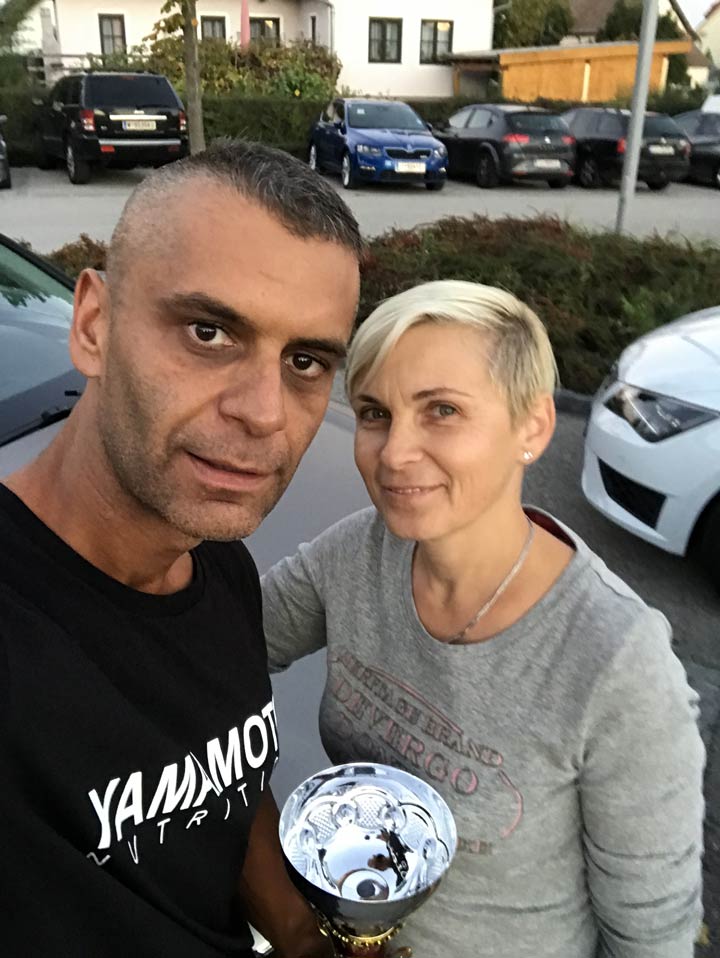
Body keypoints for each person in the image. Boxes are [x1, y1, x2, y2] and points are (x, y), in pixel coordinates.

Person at [261, 280, 706, 958]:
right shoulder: (358, 554)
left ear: (533, 427)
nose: (394, 453)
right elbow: (223, 643)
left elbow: (651, 933)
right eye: (375, 413)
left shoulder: (617, 658)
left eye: (441, 410)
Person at [0, 140, 362, 956]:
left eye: (305, 360)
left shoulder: (219, 564)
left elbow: (224, 785)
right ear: (93, 325)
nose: (265, 412)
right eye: (208, 331)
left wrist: (304, 937)